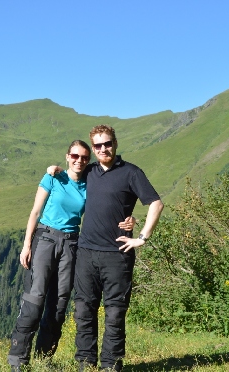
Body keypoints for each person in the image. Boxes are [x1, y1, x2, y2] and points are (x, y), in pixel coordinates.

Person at [7, 139, 134, 371]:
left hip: (72, 243)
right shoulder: (53, 178)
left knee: (59, 304)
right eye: (75, 156)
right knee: (35, 299)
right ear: (67, 157)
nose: (79, 161)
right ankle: (18, 360)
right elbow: (35, 212)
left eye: (84, 158)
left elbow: (111, 202)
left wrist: (131, 219)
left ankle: (44, 359)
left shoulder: (89, 182)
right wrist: (27, 246)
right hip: (45, 238)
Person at [49, 125, 164, 371]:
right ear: (93, 148)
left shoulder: (131, 173)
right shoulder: (88, 171)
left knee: (114, 313)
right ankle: (85, 363)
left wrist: (142, 236)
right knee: (83, 310)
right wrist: (54, 170)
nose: (103, 149)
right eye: (98, 145)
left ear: (115, 144)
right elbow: (69, 175)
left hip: (118, 255)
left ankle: (110, 365)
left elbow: (155, 203)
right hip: (86, 252)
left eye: (107, 143)